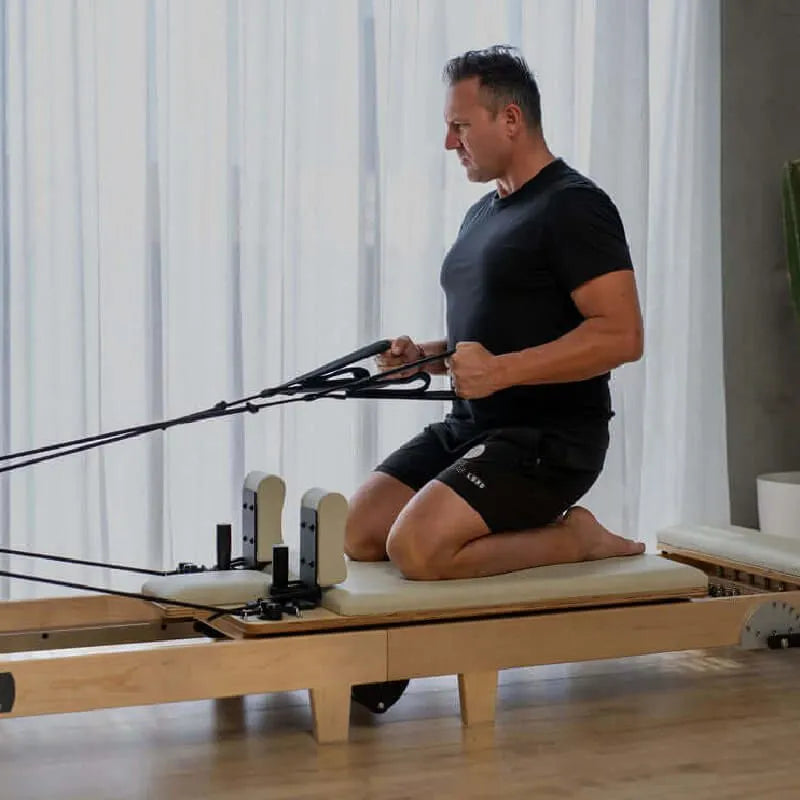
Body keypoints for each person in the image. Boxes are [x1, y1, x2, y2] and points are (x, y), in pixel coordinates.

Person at [344, 45, 645, 581]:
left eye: (459, 125)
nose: (448, 142)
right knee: (360, 532)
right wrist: (427, 359)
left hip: (548, 440)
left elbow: (622, 337)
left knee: (417, 549)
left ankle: (576, 537)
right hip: (471, 428)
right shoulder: (481, 212)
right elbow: (499, 333)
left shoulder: (575, 206)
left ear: (510, 119)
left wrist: (501, 372)